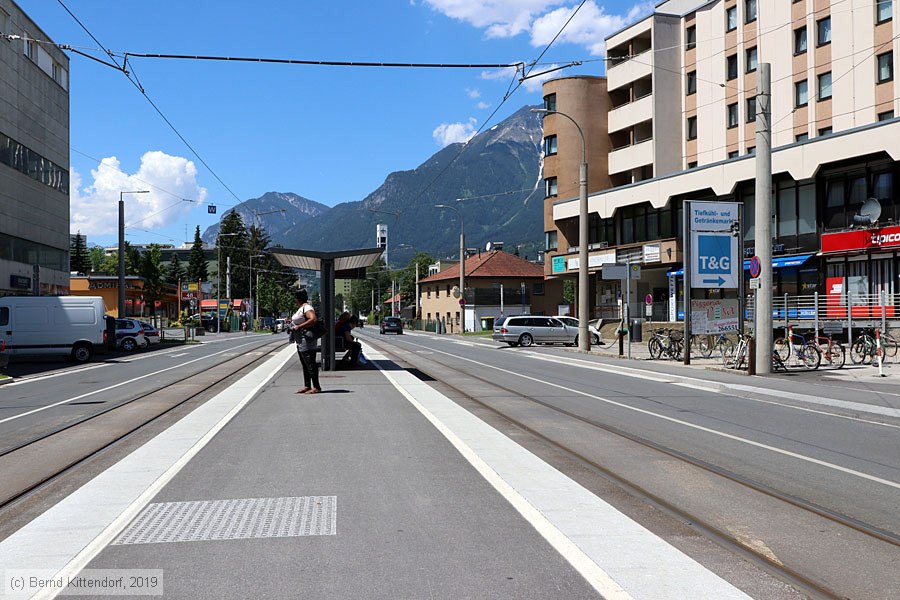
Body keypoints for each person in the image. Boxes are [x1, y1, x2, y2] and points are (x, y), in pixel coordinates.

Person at [289, 290, 321, 394]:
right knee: (305, 364)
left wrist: (299, 326)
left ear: (299, 298)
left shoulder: (307, 308)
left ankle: (316, 387)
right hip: (300, 340)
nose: (294, 300)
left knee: (310, 363)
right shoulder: (301, 308)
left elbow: (313, 319)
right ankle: (307, 385)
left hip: (306, 340)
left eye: (295, 298)